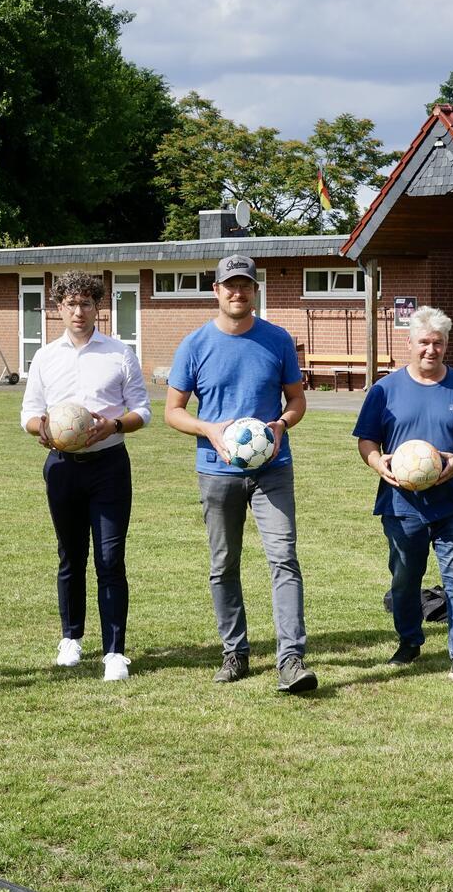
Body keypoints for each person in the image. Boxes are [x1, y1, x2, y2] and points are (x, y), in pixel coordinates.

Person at [164, 255, 317, 694]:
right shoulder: (194, 345)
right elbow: (173, 412)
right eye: (230, 285)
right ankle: (236, 652)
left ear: (255, 290)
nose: (238, 292)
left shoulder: (278, 340)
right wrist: (209, 429)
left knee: (283, 559)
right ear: (216, 290)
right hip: (217, 471)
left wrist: (281, 426)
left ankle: (291, 659)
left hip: (273, 471)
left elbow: (296, 401)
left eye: (245, 285)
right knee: (223, 564)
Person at [352, 306, 453, 683]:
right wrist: (377, 463)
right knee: (405, 578)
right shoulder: (385, 389)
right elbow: (367, 440)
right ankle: (409, 640)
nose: (430, 350)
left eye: (437, 343)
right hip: (402, 505)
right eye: (423, 343)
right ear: (410, 344)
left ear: (446, 345)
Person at [20, 271, 150, 682]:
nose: (79, 311)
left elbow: (142, 410)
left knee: (110, 558)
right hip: (62, 468)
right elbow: (28, 413)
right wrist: (40, 428)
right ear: (59, 308)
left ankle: (115, 651)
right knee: (70, 555)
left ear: (98, 306)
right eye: (70, 304)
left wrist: (113, 426)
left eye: (87, 303)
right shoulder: (45, 357)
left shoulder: (119, 353)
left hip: (109, 465)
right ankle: (71, 638)